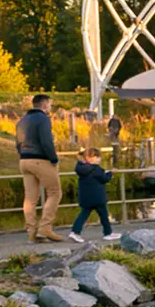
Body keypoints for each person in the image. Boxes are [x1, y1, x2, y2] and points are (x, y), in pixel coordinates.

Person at [16, 94, 64, 243]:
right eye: (50, 105)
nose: (50, 107)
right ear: (44, 105)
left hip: (24, 160)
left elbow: (17, 143)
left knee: (30, 198)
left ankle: (32, 232)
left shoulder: (22, 121)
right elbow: (46, 141)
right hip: (40, 160)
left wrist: (24, 154)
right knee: (55, 192)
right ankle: (45, 227)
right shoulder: (43, 119)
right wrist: (54, 159)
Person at [69, 147, 119, 243]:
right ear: (89, 158)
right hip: (98, 198)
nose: (99, 159)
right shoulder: (96, 169)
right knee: (104, 215)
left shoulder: (81, 168)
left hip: (86, 198)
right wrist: (111, 173)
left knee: (83, 215)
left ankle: (75, 232)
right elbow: (104, 179)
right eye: (97, 157)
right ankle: (108, 233)